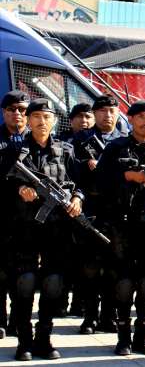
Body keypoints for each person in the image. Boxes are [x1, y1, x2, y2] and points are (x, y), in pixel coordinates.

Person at [96, 100, 145, 355]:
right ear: (130, 119)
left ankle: (143, 334)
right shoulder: (115, 147)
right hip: (123, 225)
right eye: (139, 116)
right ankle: (123, 337)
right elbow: (99, 183)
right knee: (124, 283)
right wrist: (126, 177)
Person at [7, 98, 83, 361]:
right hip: (25, 227)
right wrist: (18, 189)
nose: (41, 121)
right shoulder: (14, 151)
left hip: (57, 230)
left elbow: (79, 183)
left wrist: (77, 200)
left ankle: (44, 337)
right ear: (28, 120)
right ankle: (24, 339)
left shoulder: (66, 150)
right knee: (24, 283)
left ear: (54, 120)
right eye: (36, 116)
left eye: (46, 116)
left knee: (53, 283)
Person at [73, 94, 127, 335]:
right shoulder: (80, 140)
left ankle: (109, 315)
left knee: (115, 267)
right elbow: (70, 174)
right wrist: (86, 166)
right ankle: (90, 316)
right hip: (91, 210)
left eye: (112, 110)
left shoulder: (124, 141)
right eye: (103, 110)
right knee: (90, 268)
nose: (108, 115)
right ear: (95, 114)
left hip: (117, 211)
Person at [0, 90, 30, 339]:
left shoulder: (34, 140)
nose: (18, 114)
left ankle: (19, 320)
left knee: (22, 273)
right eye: (12, 109)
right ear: (4, 112)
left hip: (28, 219)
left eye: (22, 110)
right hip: (1, 215)